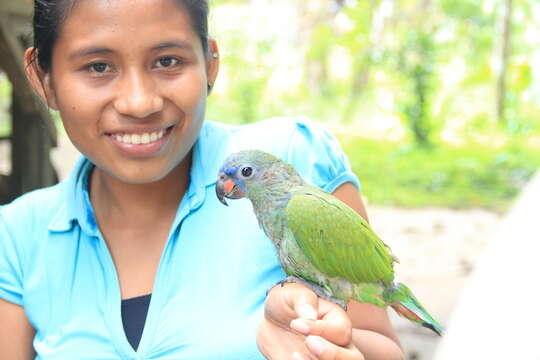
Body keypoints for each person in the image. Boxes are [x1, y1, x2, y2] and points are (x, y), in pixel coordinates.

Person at [0, 0, 404, 359]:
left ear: (210, 62)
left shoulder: (294, 157)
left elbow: (382, 345)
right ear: (43, 79)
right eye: (98, 67)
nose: (139, 102)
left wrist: (327, 345)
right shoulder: (17, 237)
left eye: (168, 61)